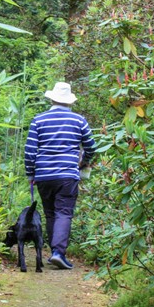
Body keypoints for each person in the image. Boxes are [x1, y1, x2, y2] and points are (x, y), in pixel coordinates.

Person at [24, 82, 96, 269]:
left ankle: (54, 252)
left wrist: (30, 173)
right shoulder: (79, 120)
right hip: (67, 175)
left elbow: (30, 150)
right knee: (64, 212)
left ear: (52, 98)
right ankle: (58, 252)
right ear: (69, 101)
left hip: (44, 175)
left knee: (50, 213)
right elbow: (91, 146)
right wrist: (84, 163)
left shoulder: (38, 120)